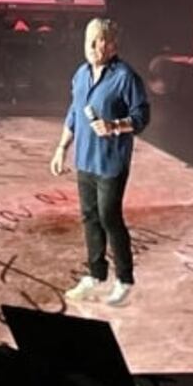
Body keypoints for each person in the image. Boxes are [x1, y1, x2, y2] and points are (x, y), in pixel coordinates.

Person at [49, 18, 150, 306]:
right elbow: (74, 113)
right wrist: (61, 148)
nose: (93, 47)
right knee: (90, 217)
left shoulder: (125, 77)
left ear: (113, 45)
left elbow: (142, 116)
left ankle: (124, 279)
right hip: (85, 159)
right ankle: (96, 274)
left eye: (99, 41)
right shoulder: (80, 74)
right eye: (89, 41)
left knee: (109, 217)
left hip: (110, 162)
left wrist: (115, 125)